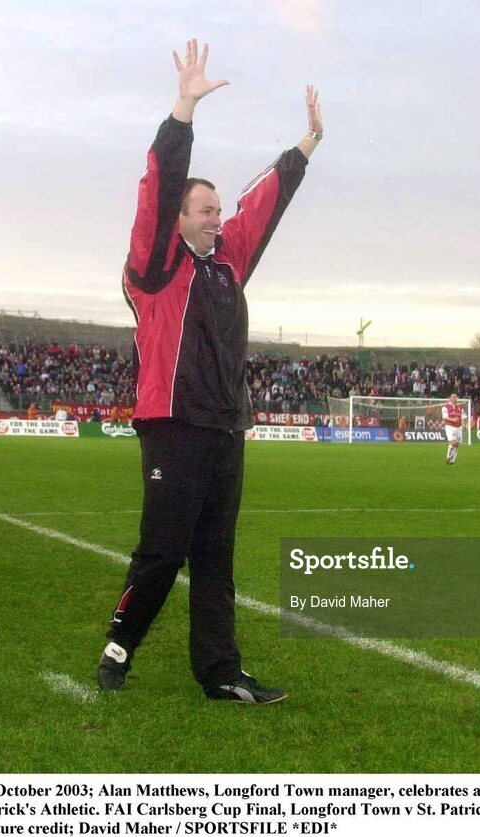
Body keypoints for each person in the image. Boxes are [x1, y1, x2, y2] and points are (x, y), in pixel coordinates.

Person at [97, 39, 322, 704]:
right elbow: (159, 185)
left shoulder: (227, 260)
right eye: (205, 209)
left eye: (217, 210)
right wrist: (183, 109)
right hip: (173, 424)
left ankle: (220, 670)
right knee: (164, 550)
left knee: (216, 557)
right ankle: (117, 647)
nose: (217, 217)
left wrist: (306, 145)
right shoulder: (157, 263)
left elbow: (265, 203)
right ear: (180, 218)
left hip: (224, 426)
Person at [442, 393, 464, 464]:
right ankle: (448, 457)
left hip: (458, 427)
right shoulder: (445, 407)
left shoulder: (460, 407)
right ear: (450, 398)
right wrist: (453, 419)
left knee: (457, 444)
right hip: (449, 426)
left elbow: (463, 417)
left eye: (456, 397)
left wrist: (464, 425)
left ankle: (452, 461)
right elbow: (445, 417)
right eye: (453, 397)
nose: (455, 398)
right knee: (453, 442)